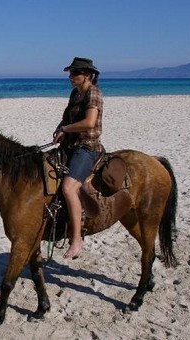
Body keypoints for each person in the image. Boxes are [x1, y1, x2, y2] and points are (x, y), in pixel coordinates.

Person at [52, 57, 105, 259]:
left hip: (87, 147)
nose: (70, 76)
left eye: (75, 73)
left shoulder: (94, 93)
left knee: (68, 187)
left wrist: (65, 128)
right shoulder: (75, 93)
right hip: (70, 145)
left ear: (87, 75)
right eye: (70, 73)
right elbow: (67, 119)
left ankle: (76, 239)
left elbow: (89, 122)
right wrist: (60, 128)